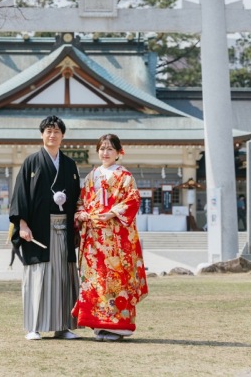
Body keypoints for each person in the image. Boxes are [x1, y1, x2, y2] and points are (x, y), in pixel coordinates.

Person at [9, 115, 82, 341]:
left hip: (64, 229)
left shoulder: (70, 165)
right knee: (38, 276)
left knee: (63, 277)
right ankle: (34, 326)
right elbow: (20, 194)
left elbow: (78, 198)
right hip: (38, 230)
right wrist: (22, 224)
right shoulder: (31, 162)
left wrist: (79, 222)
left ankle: (63, 326)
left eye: (57, 131)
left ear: (63, 136)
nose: (52, 135)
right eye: (48, 131)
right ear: (42, 135)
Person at [73, 134, 148, 342]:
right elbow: (81, 201)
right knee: (95, 281)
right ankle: (99, 324)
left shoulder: (125, 176)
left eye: (110, 149)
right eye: (102, 148)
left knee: (116, 280)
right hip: (94, 237)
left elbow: (133, 199)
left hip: (115, 239)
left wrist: (113, 212)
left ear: (118, 152)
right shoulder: (92, 176)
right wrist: (81, 214)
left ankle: (118, 326)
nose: (105, 153)